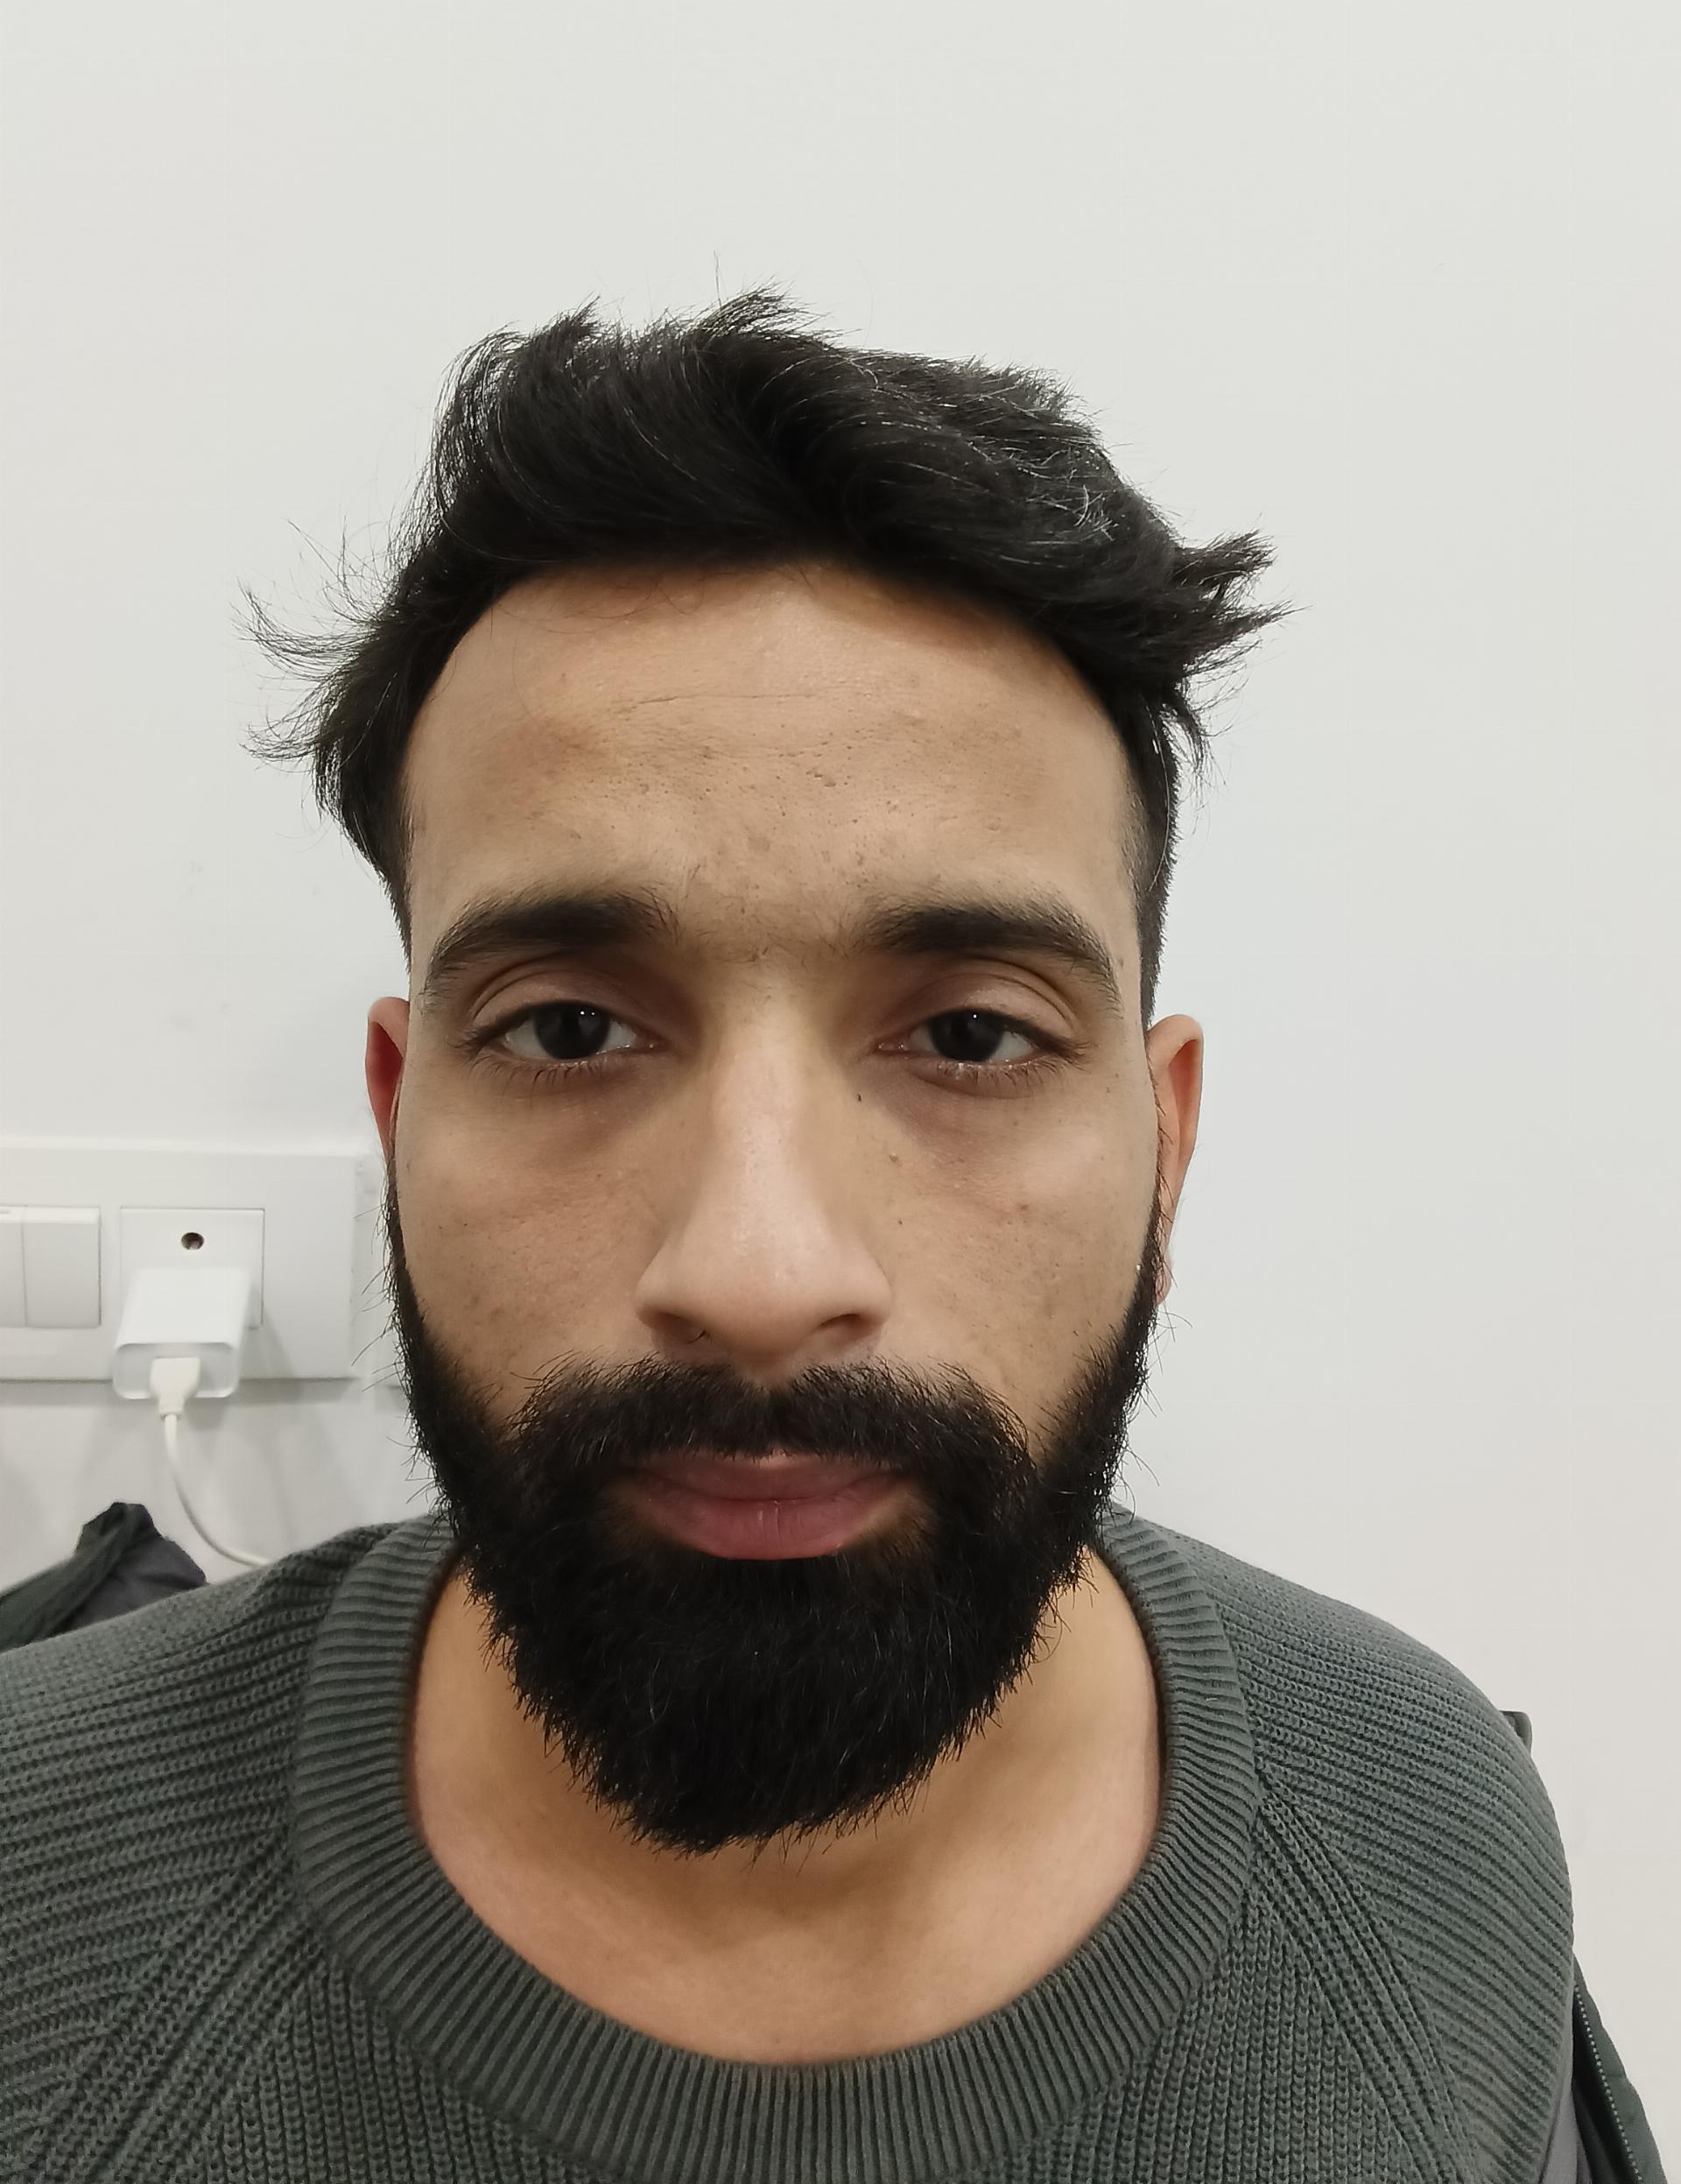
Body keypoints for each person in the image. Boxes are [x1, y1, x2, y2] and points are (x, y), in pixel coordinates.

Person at [0, 291, 1587, 2180]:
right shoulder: (33, 1888)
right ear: (398, 1117)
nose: (758, 1275)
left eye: (971, 1038)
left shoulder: (1429, 1845)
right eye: (568, 1032)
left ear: (1162, 1152)